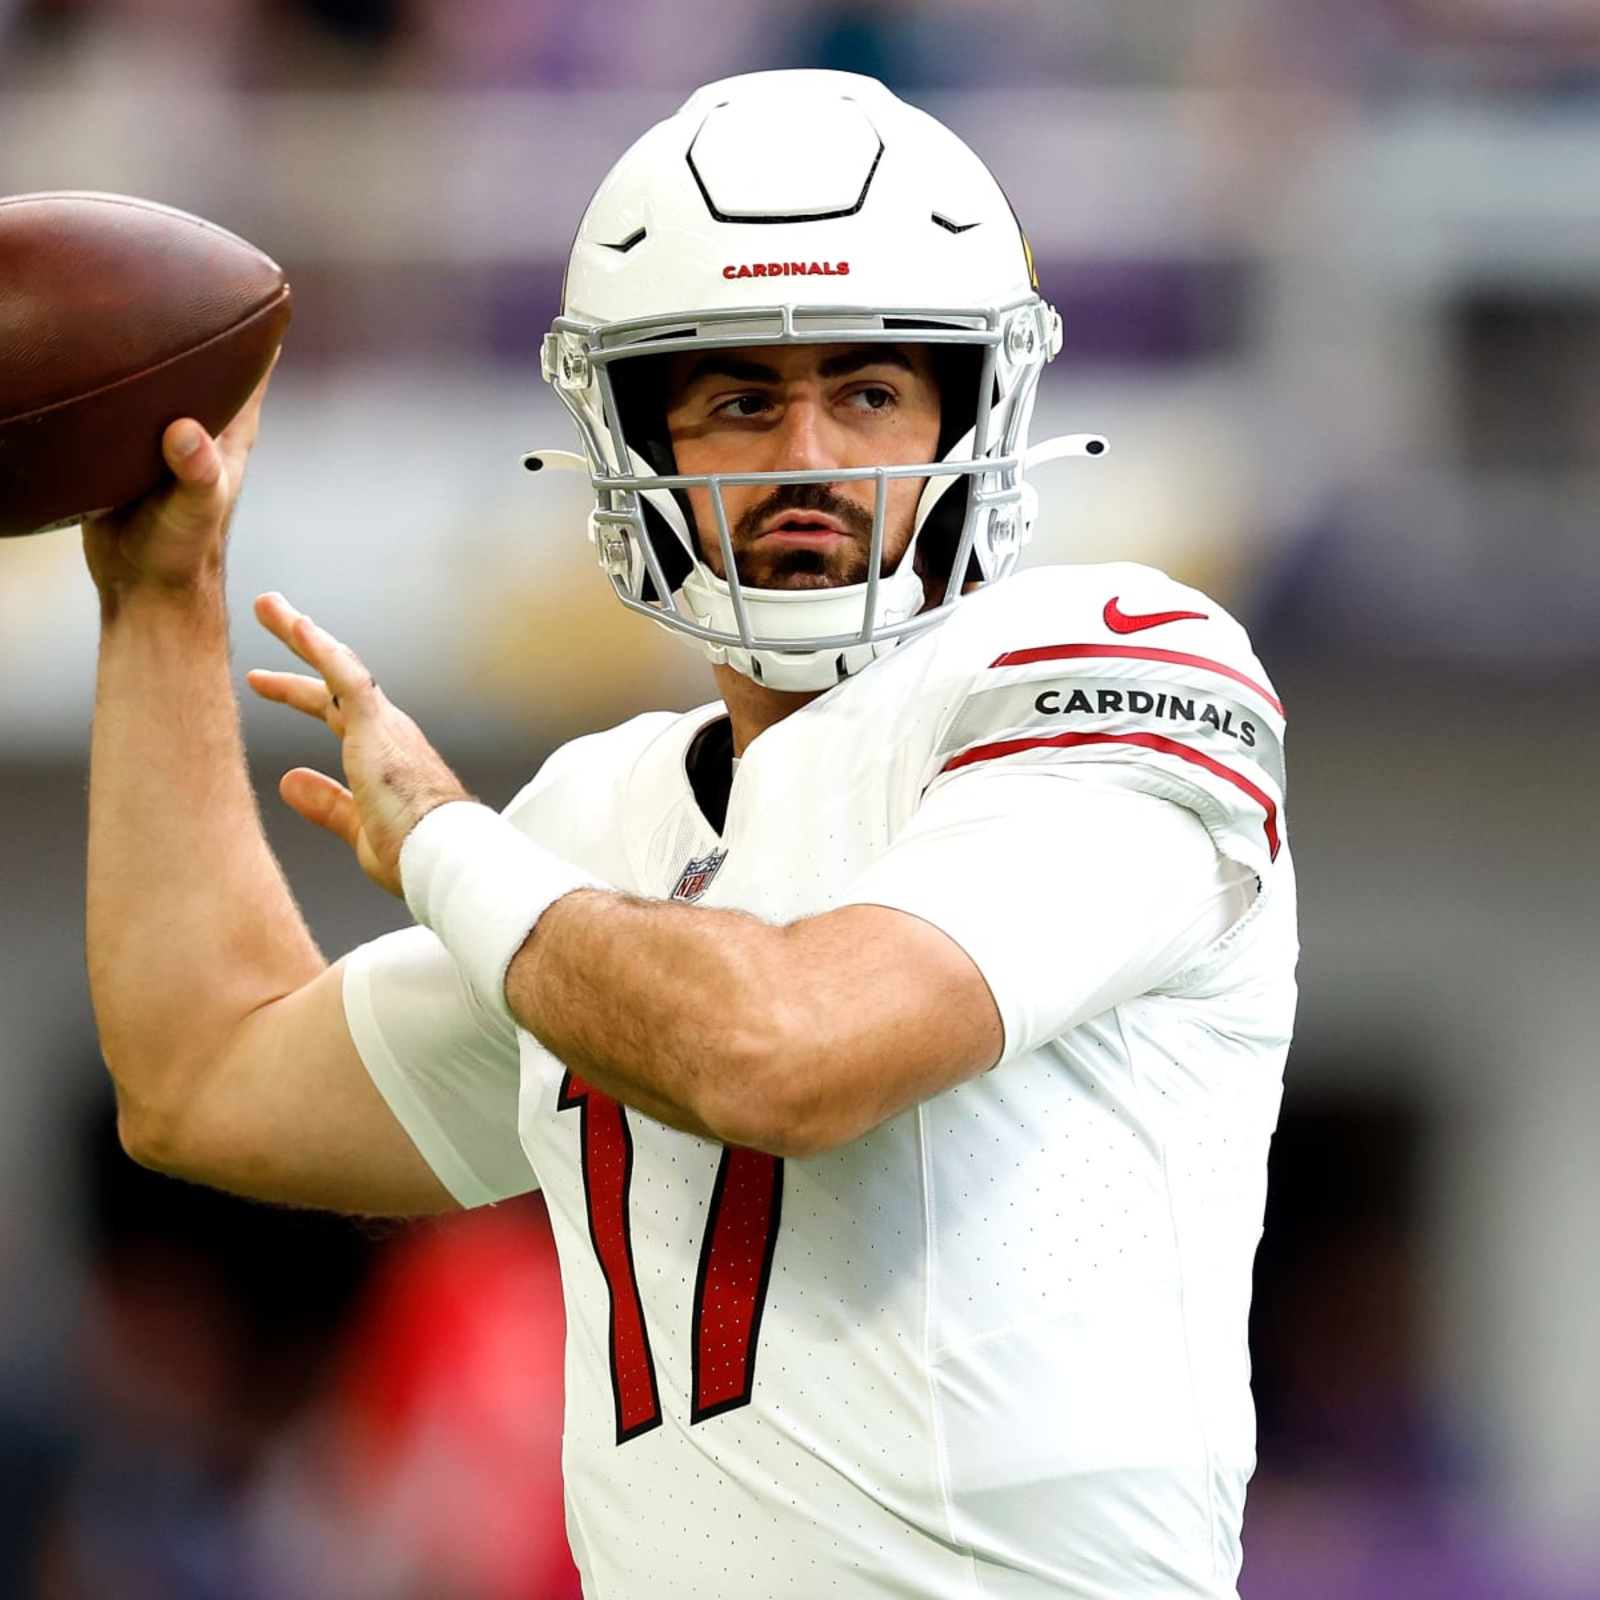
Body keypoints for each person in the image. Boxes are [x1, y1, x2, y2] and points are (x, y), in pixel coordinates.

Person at [83, 69, 1298, 1599]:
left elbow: (789, 1053)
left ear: (973, 414)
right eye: (739, 398)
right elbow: (204, 1078)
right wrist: (157, 601)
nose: (809, 456)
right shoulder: (599, 815)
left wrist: (449, 847)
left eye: (868, 391)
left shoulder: (1120, 664)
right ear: (635, 439)